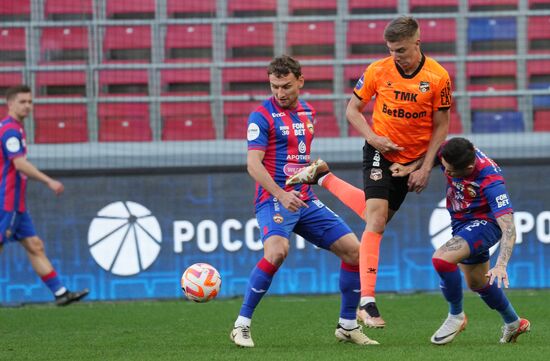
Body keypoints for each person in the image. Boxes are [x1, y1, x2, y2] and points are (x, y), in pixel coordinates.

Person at [286, 137, 531, 344]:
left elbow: (508, 226)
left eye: (450, 170)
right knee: (477, 282)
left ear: (468, 168)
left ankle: (456, 316)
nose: (444, 171)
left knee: (441, 260)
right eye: (443, 166)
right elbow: (435, 154)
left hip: (484, 225)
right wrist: (411, 168)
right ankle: (513, 322)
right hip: (461, 222)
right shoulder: (453, 150)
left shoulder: (490, 180)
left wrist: (501, 265)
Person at [229, 56, 378, 348]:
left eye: (285, 86)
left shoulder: (309, 112)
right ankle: (241, 325)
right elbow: (253, 165)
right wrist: (281, 194)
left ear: (300, 81)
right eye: (274, 86)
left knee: (354, 252)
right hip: (274, 199)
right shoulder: (261, 116)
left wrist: (312, 171)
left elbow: (297, 159)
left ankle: (347, 326)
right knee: (277, 252)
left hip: (305, 199)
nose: (280, 93)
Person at [345, 15, 452, 327]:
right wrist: (372, 137)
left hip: (413, 161)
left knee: (375, 219)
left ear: (417, 43)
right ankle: (367, 302)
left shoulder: (438, 77)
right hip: (379, 151)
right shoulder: (378, 70)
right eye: (391, 50)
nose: (396, 56)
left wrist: (425, 167)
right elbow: (352, 110)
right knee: (376, 219)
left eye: (401, 50)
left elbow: (442, 125)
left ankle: (324, 177)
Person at [0, 85, 89, 306]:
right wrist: (49, 181)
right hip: (6, 201)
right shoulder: (9, 129)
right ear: (10, 104)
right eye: (22, 102)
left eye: (30, 102)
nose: (28, 106)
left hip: (17, 203)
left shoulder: (16, 128)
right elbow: (19, 163)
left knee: (35, 245)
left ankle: (60, 293)